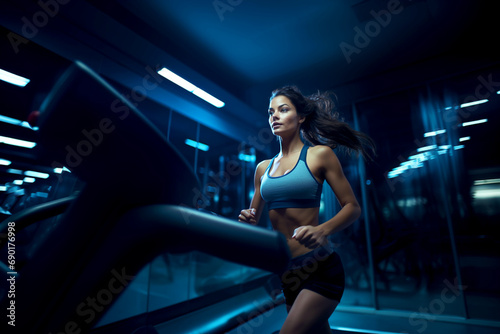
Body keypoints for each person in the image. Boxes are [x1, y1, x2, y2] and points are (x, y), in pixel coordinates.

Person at [238, 86, 374, 334]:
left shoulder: (318, 155)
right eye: (271, 112)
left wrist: (323, 229)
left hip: (320, 268)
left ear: (300, 117)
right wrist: (247, 219)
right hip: (287, 272)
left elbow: (352, 207)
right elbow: (253, 219)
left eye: (283, 109)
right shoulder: (262, 169)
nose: (274, 116)